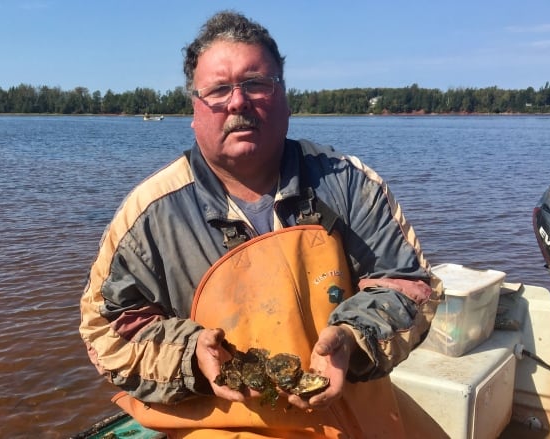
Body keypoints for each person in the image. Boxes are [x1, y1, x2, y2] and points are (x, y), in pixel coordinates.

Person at [80, 10, 442, 438]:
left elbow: (407, 287)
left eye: (256, 84)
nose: (238, 102)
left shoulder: (348, 183)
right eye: (218, 90)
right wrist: (191, 353)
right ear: (195, 109)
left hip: (353, 411)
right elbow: (108, 332)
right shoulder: (149, 215)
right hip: (226, 423)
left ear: (285, 96)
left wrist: (351, 337)